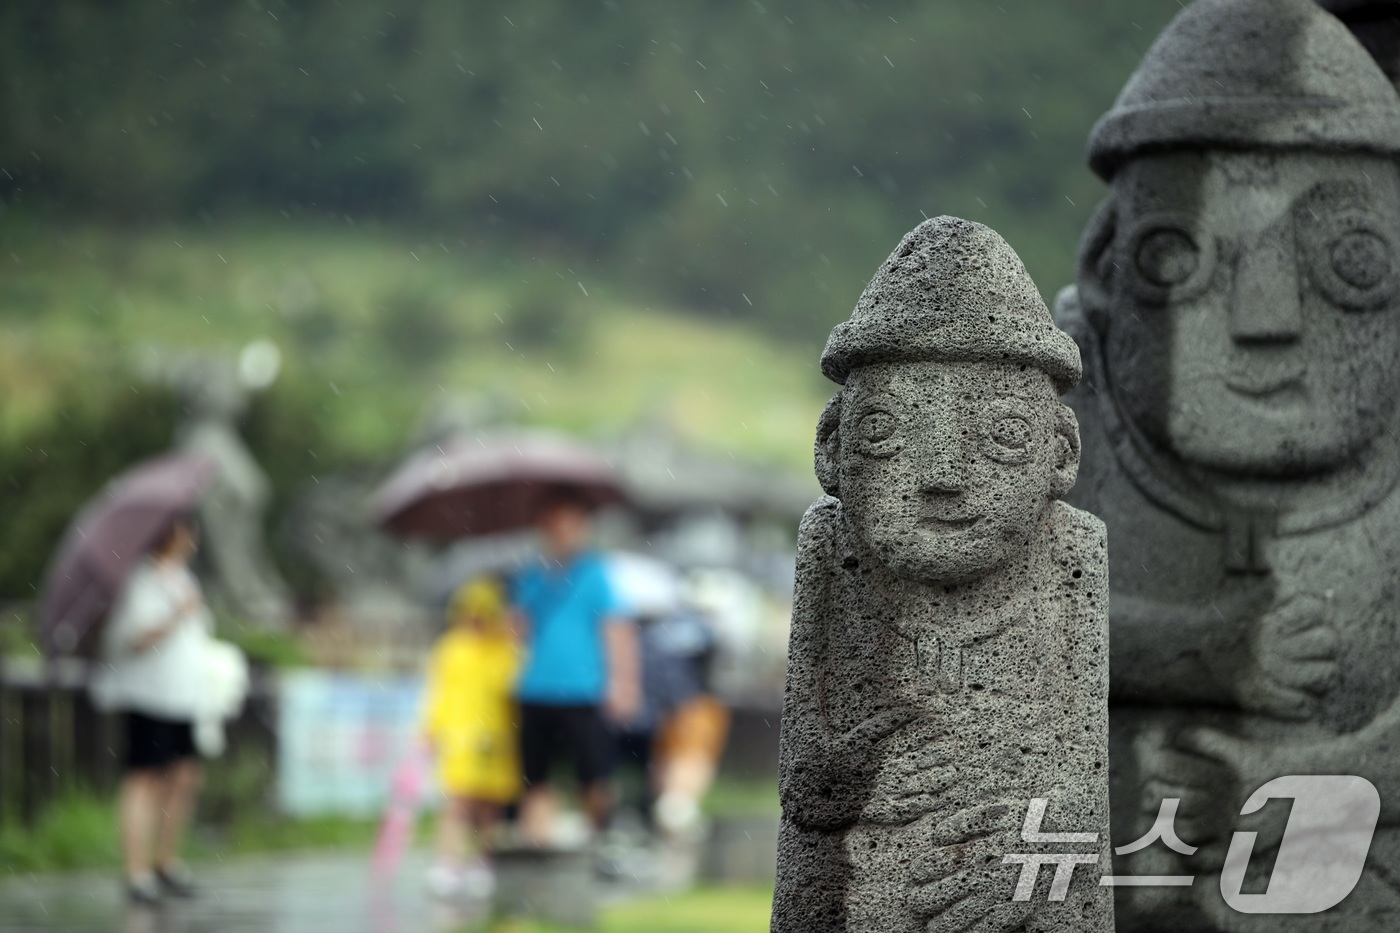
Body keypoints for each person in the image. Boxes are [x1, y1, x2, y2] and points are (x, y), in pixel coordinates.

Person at [512, 485, 641, 846]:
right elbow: (518, 630)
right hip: (536, 687)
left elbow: (617, 630)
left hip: (584, 688)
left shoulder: (595, 573)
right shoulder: (531, 577)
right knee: (534, 778)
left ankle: (600, 841)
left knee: (594, 776)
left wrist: (624, 683)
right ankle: (538, 848)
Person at [90, 517, 209, 905]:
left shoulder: (184, 579)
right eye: (185, 530)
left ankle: (165, 862)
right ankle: (136, 871)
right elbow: (132, 638)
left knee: (183, 778)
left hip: (183, 695)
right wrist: (174, 617)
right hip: (149, 696)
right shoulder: (140, 581)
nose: (192, 539)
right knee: (144, 779)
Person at [419, 576, 522, 898]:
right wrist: (430, 731)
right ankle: (449, 864)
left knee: (489, 808)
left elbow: (511, 687)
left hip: (497, 738)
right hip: (460, 738)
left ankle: (483, 864)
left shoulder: (506, 650)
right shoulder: (451, 648)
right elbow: (439, 694)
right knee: (456, 804)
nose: (475, 620)